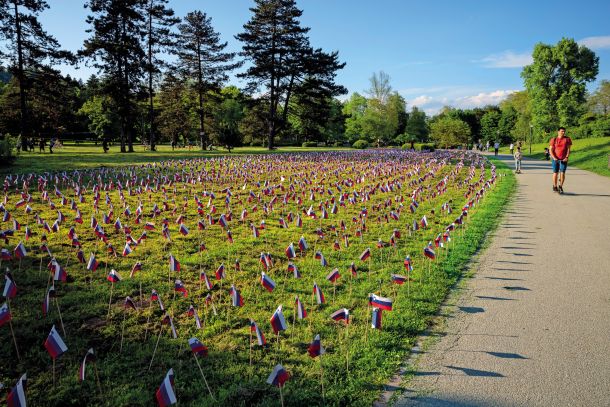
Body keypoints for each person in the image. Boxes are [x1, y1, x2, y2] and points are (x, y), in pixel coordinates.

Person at [549, 127, 572, 194]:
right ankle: (555, 186)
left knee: (562, 173)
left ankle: (560, 186)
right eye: (562, 131)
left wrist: (567, 157)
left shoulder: (567, 139)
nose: (563, 132)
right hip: (555, 159)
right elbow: (550, 149)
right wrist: (554, 157)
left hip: (563, 159)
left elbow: (568, 149)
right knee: (555, 173)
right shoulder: (554, 139)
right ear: (558, 132)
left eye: (564, 131)